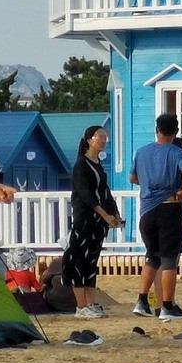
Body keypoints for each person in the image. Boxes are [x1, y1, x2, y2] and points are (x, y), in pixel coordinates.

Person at [129, 113, 182, 321]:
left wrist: (149, 186)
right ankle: (167, 305)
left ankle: (141, 301)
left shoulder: (141, 152)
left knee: (152, 256)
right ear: (175, 131)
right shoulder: (175, 152)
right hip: (168, 208)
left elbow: (132, 177)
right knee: (169, 259)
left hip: (147, 211)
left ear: (157, 129)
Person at [67, 125, 125, 319]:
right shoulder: (81, 165)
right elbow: (86, 194)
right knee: (79, 260)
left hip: (98, 222)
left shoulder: (98, 164)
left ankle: (91, 303)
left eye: (105, 137)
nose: (103, 141)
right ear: (89, 139)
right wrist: (103, 214)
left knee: (92, 260)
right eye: (100, 137)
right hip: (85, 218)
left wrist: (114, 212)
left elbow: (104, 191)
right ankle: (81, 305)